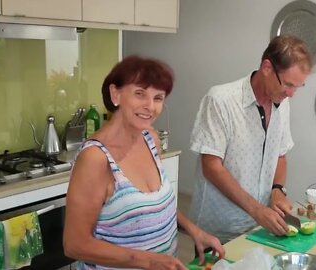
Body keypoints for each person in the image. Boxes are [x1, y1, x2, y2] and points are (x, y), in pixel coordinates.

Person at [63, 55, 225, 270]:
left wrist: (194, 230)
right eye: (140, 94)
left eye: (158, 98)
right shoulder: (95, 158)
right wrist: (147, 260)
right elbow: (75, 245)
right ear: (115, 94)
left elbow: (155, 209)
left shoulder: (150, 138)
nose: (150, 106)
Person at [189, 35, 313, 243]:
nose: (291, 94)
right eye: (288, 84)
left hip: (259, 227)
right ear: (267, 68)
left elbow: (280, 155)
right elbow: (211, 167)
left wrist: (278, 190)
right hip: (219, 230)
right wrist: (256, 210)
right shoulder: (221, 100)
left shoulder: (282, 103)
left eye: (298, 87)